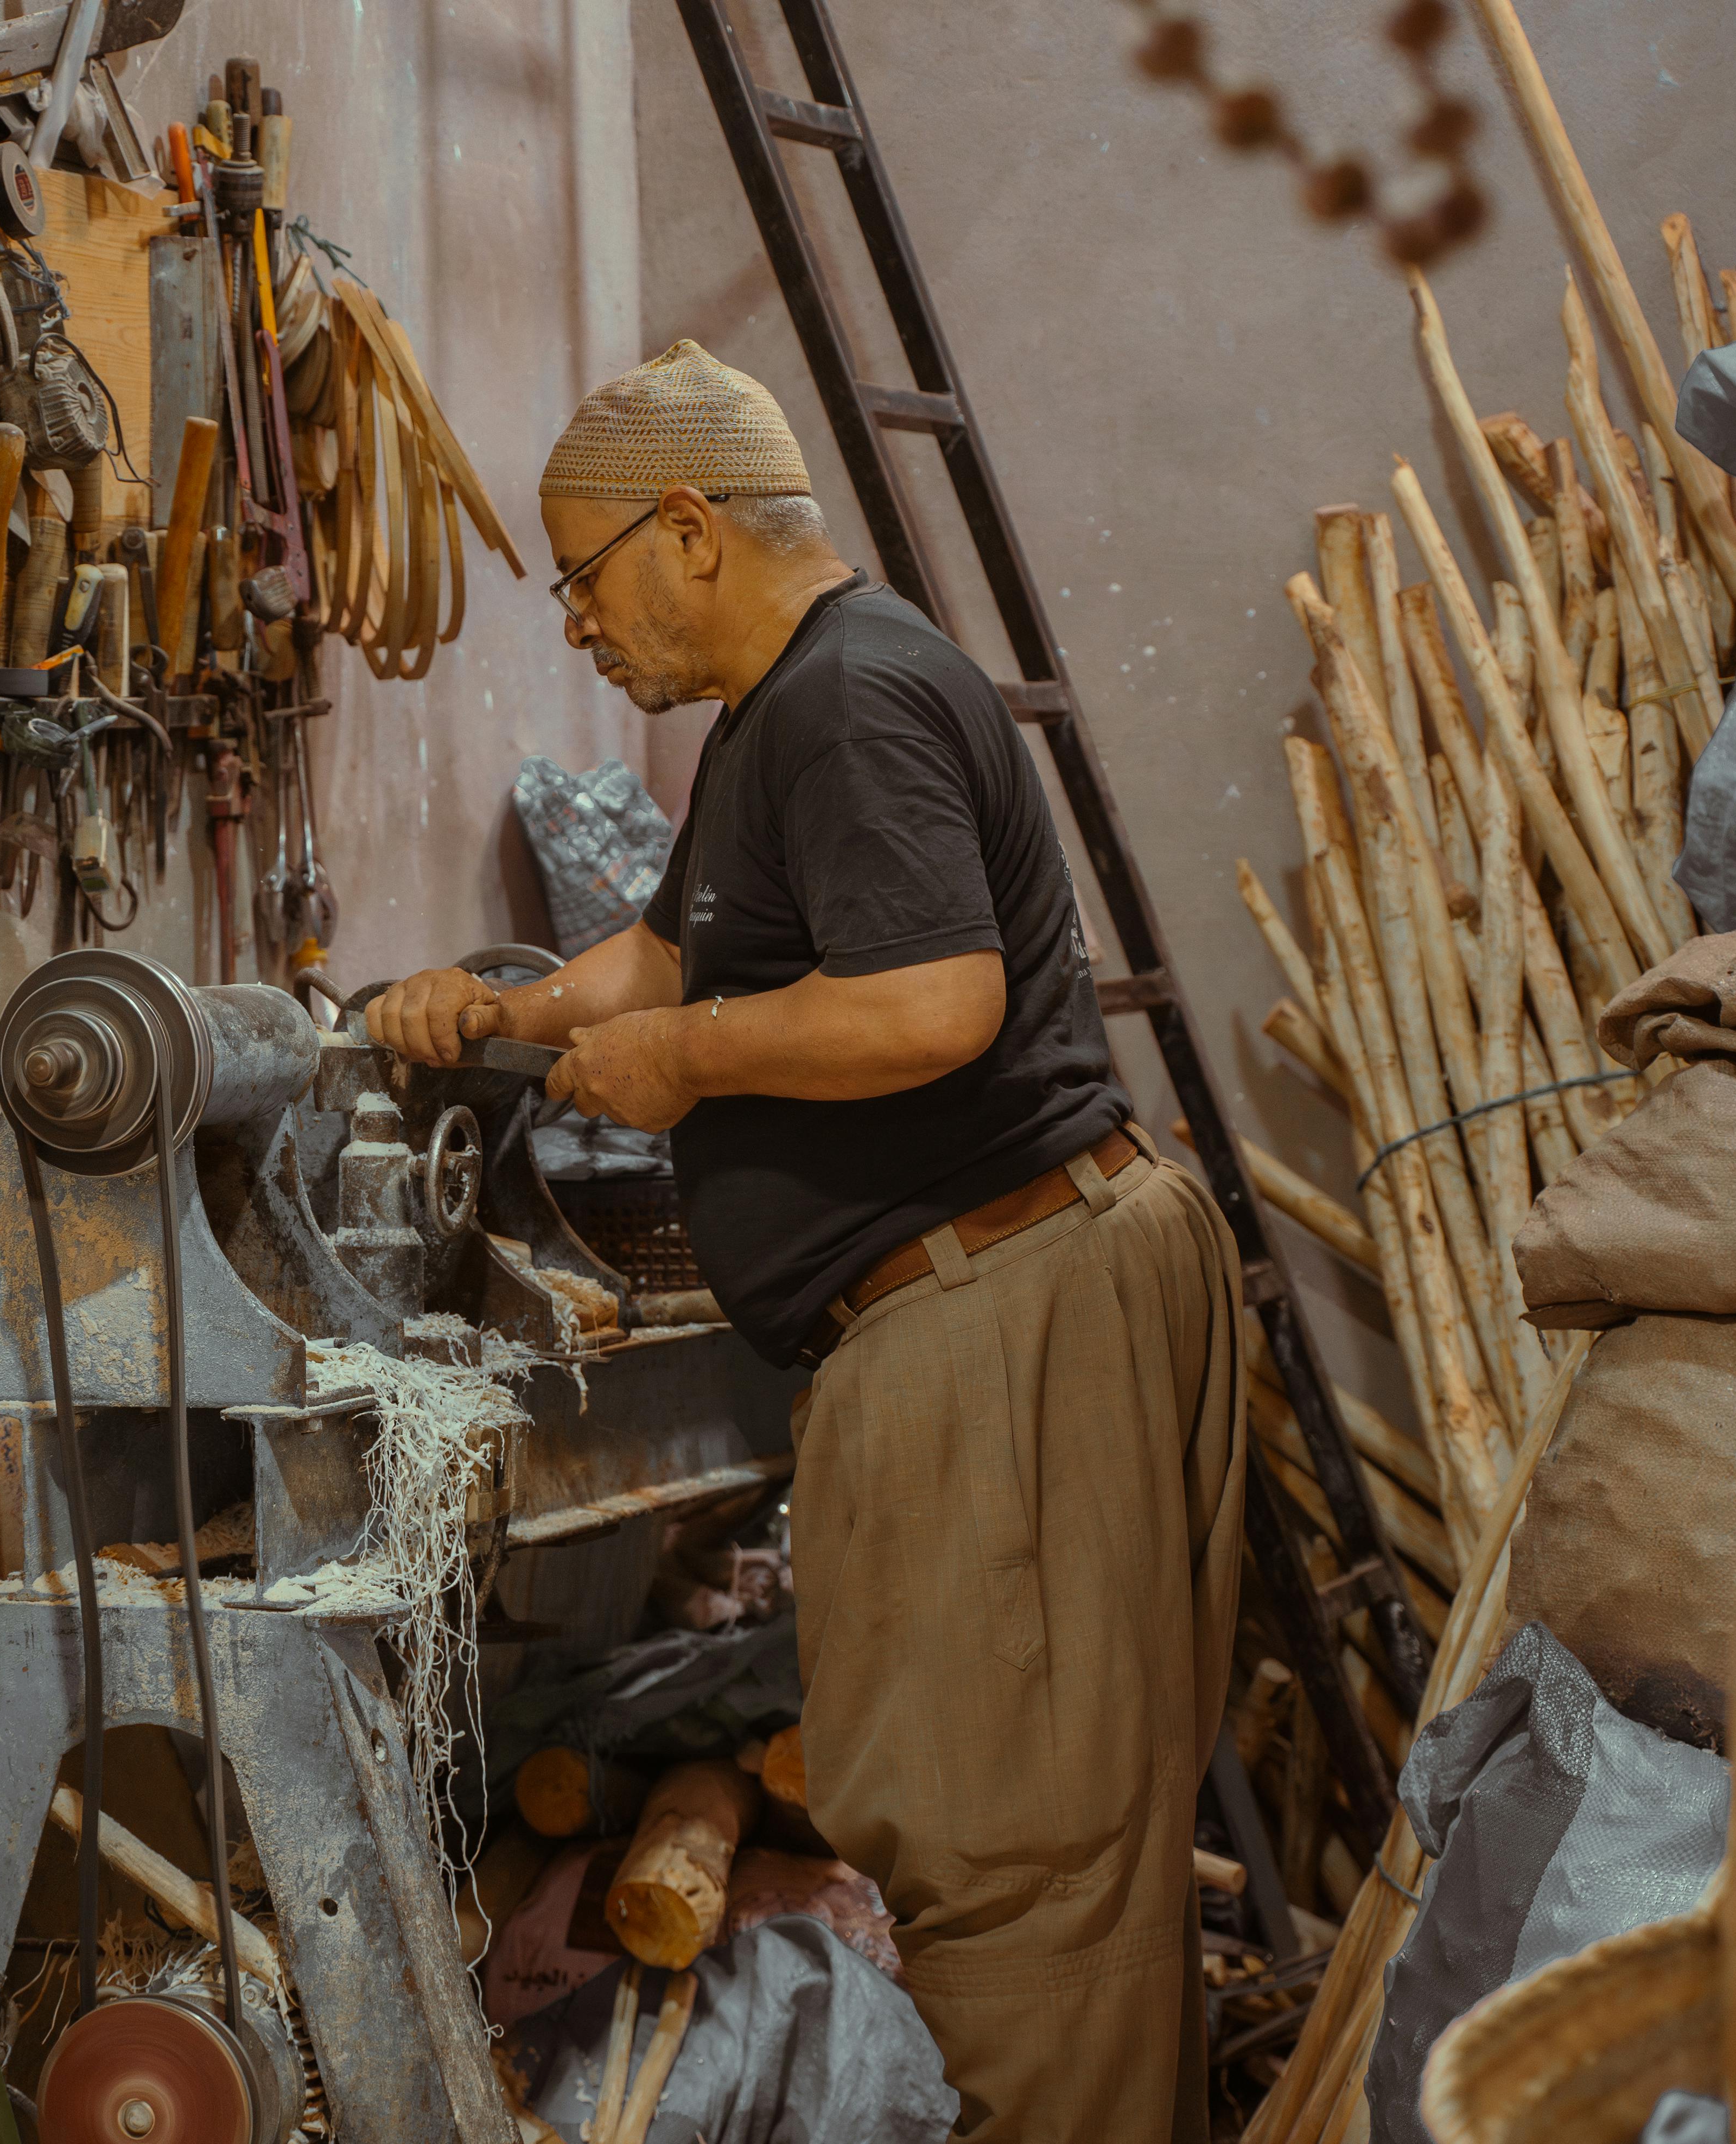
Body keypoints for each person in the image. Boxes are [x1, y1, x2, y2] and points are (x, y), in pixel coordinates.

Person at [367, 341, 1245, 2142]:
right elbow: (671, 959)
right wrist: (499, 1006)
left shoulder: (846, 698)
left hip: (1005, 1305)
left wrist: (679, 1063)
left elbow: (933, 1000)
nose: (581, 627)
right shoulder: (782, 715)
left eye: (584, 576)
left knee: (1015, 1856)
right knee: (1023, 1846)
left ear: (689, 529)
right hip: (989, 1294)